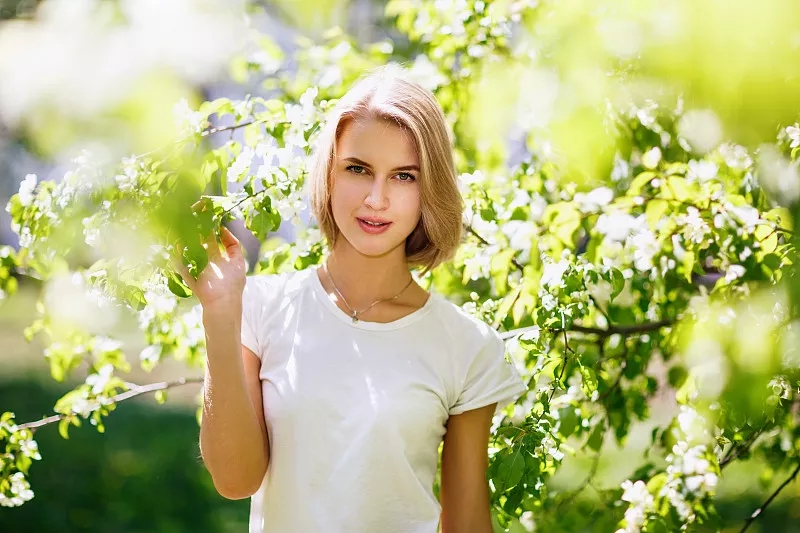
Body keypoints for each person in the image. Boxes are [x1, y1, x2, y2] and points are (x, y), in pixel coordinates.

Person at [180, 66, 528, 533]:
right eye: (358, 169)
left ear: (430, 189)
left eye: (403, 176)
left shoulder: (467, 346)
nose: (376, 199)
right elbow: (235, 480)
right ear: (329, 173)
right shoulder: (261, 307)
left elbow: (466, 524)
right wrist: (220, 315)